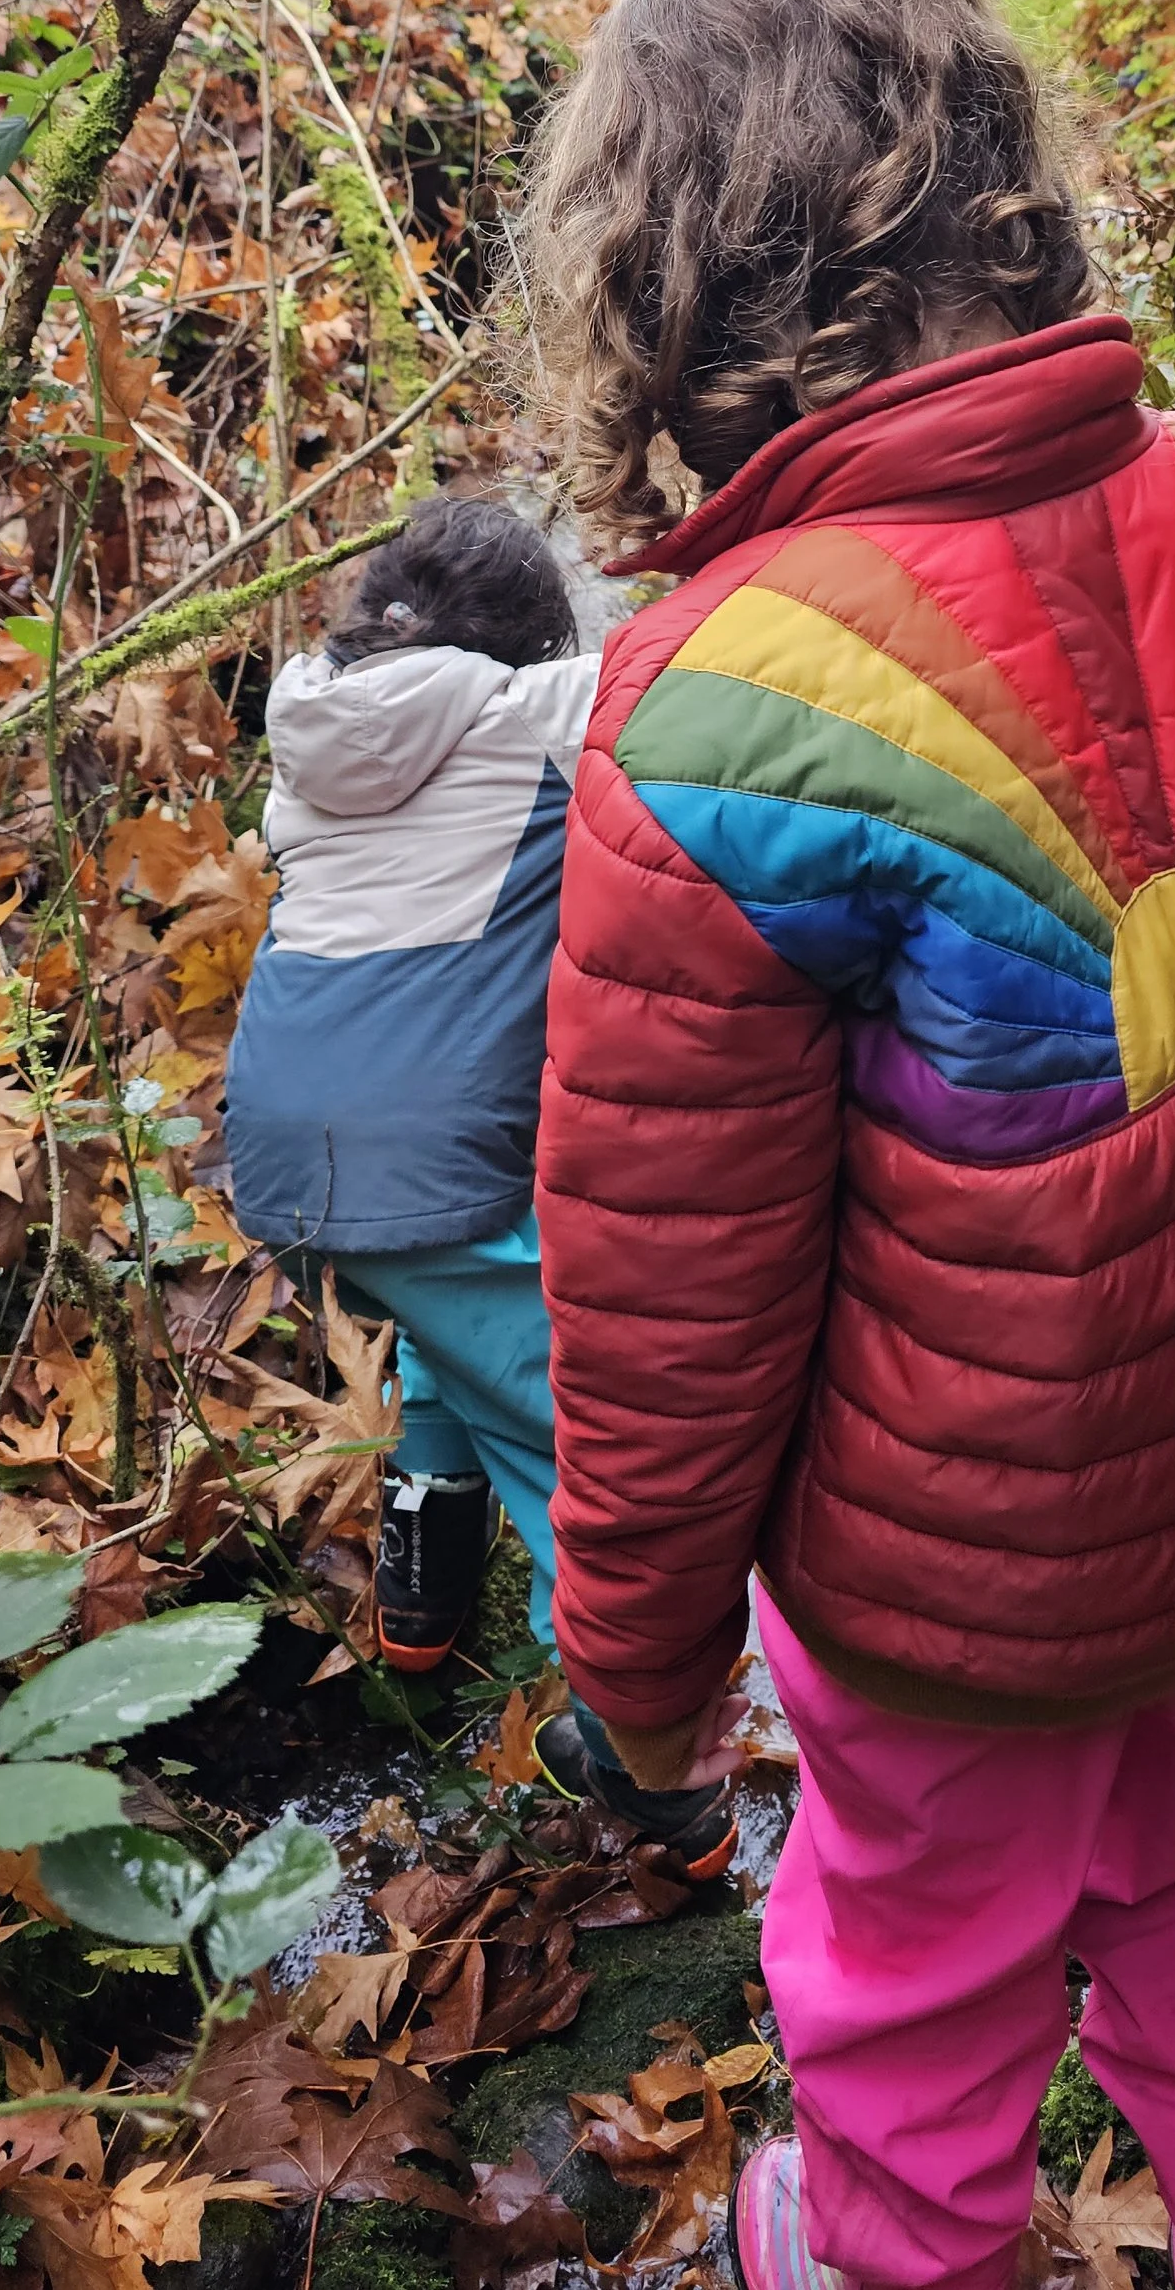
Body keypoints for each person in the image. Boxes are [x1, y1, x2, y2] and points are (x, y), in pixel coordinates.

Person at [522, 0, 1175, 2290]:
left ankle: (871, 2251)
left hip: (945, 1585)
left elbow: (671, 1314)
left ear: (668, 282)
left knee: (909, 2012)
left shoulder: (712, 710)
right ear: (999, 177)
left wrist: (639, 1677)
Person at [222, 492, 733, 1873]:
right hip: (432, 1149)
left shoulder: (309, 737)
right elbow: (704, 669)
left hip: (283, 1139)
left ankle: (421, 1608)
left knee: (443, 1344)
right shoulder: (534, 712)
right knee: (586, 1439)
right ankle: (660, 1770)